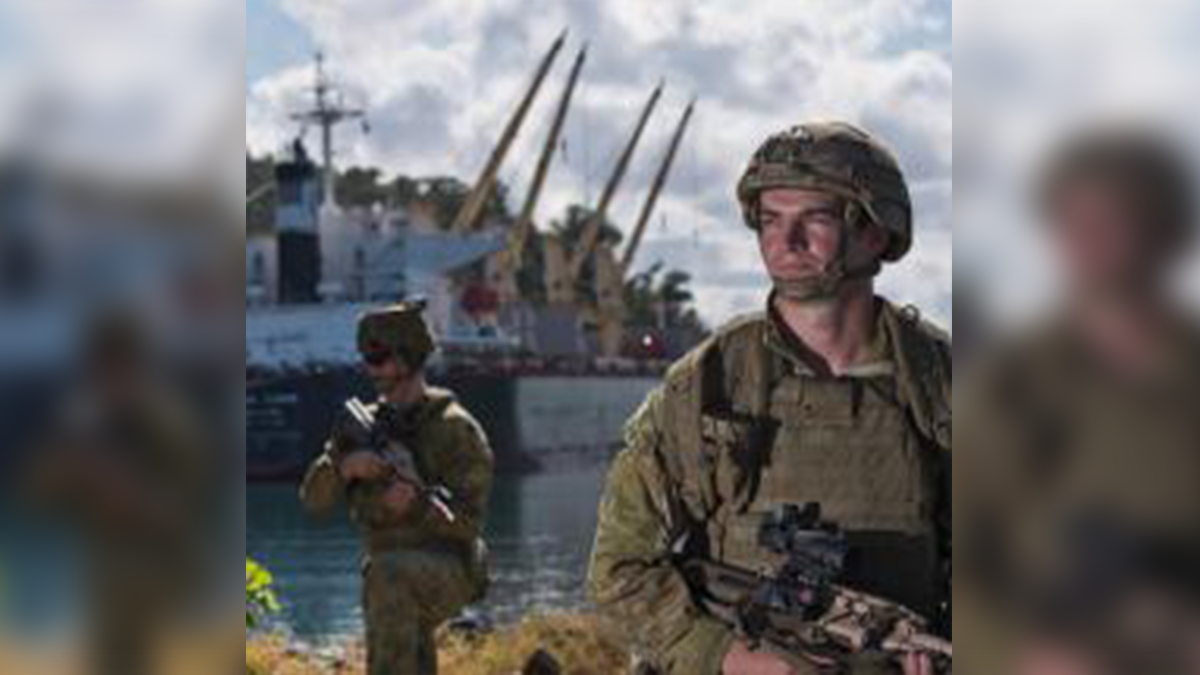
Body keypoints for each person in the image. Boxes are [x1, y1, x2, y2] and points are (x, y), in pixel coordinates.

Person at [588, 122, 952, 675]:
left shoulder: (939, 380)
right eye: (771, 220)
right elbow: (617, 572)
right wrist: (729, 657)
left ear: (876, 232)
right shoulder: (706, 386)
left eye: (816, 218)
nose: (786, 242)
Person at [957, 126, 1200, 675]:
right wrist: (1021, 656)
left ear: (1166, 230)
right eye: (1075, 223)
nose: (1091, 240)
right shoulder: (1012, 384)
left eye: (1114, 220)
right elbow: (966, 571)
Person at [300, 301, 493, 675]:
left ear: (408, 358)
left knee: (389, 576)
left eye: (380, 358)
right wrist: (344, 468)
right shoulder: (361, 427)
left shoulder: (455, 429)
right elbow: (312, 501)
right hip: (388, 570)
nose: (371, 369)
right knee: (390, 586)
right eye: (367, 359)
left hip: (454, 567)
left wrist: (418, 506)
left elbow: (470, 524)